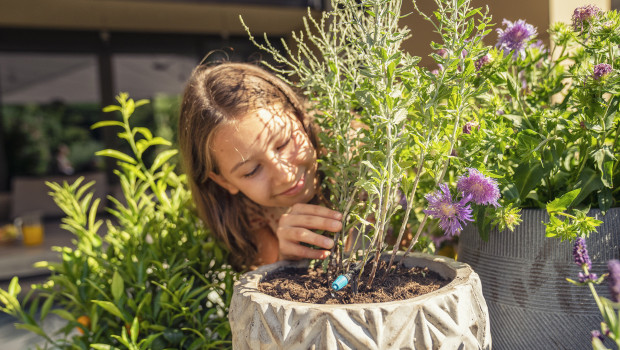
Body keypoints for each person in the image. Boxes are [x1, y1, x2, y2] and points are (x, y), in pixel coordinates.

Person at [178, 62, 343, 271]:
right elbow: (266, 287)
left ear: (300, 117)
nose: (285, 175)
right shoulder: (249, 215)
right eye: (252, 171)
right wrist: (286, 259)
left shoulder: (357, 154)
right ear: (224, 181)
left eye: (283, 143)